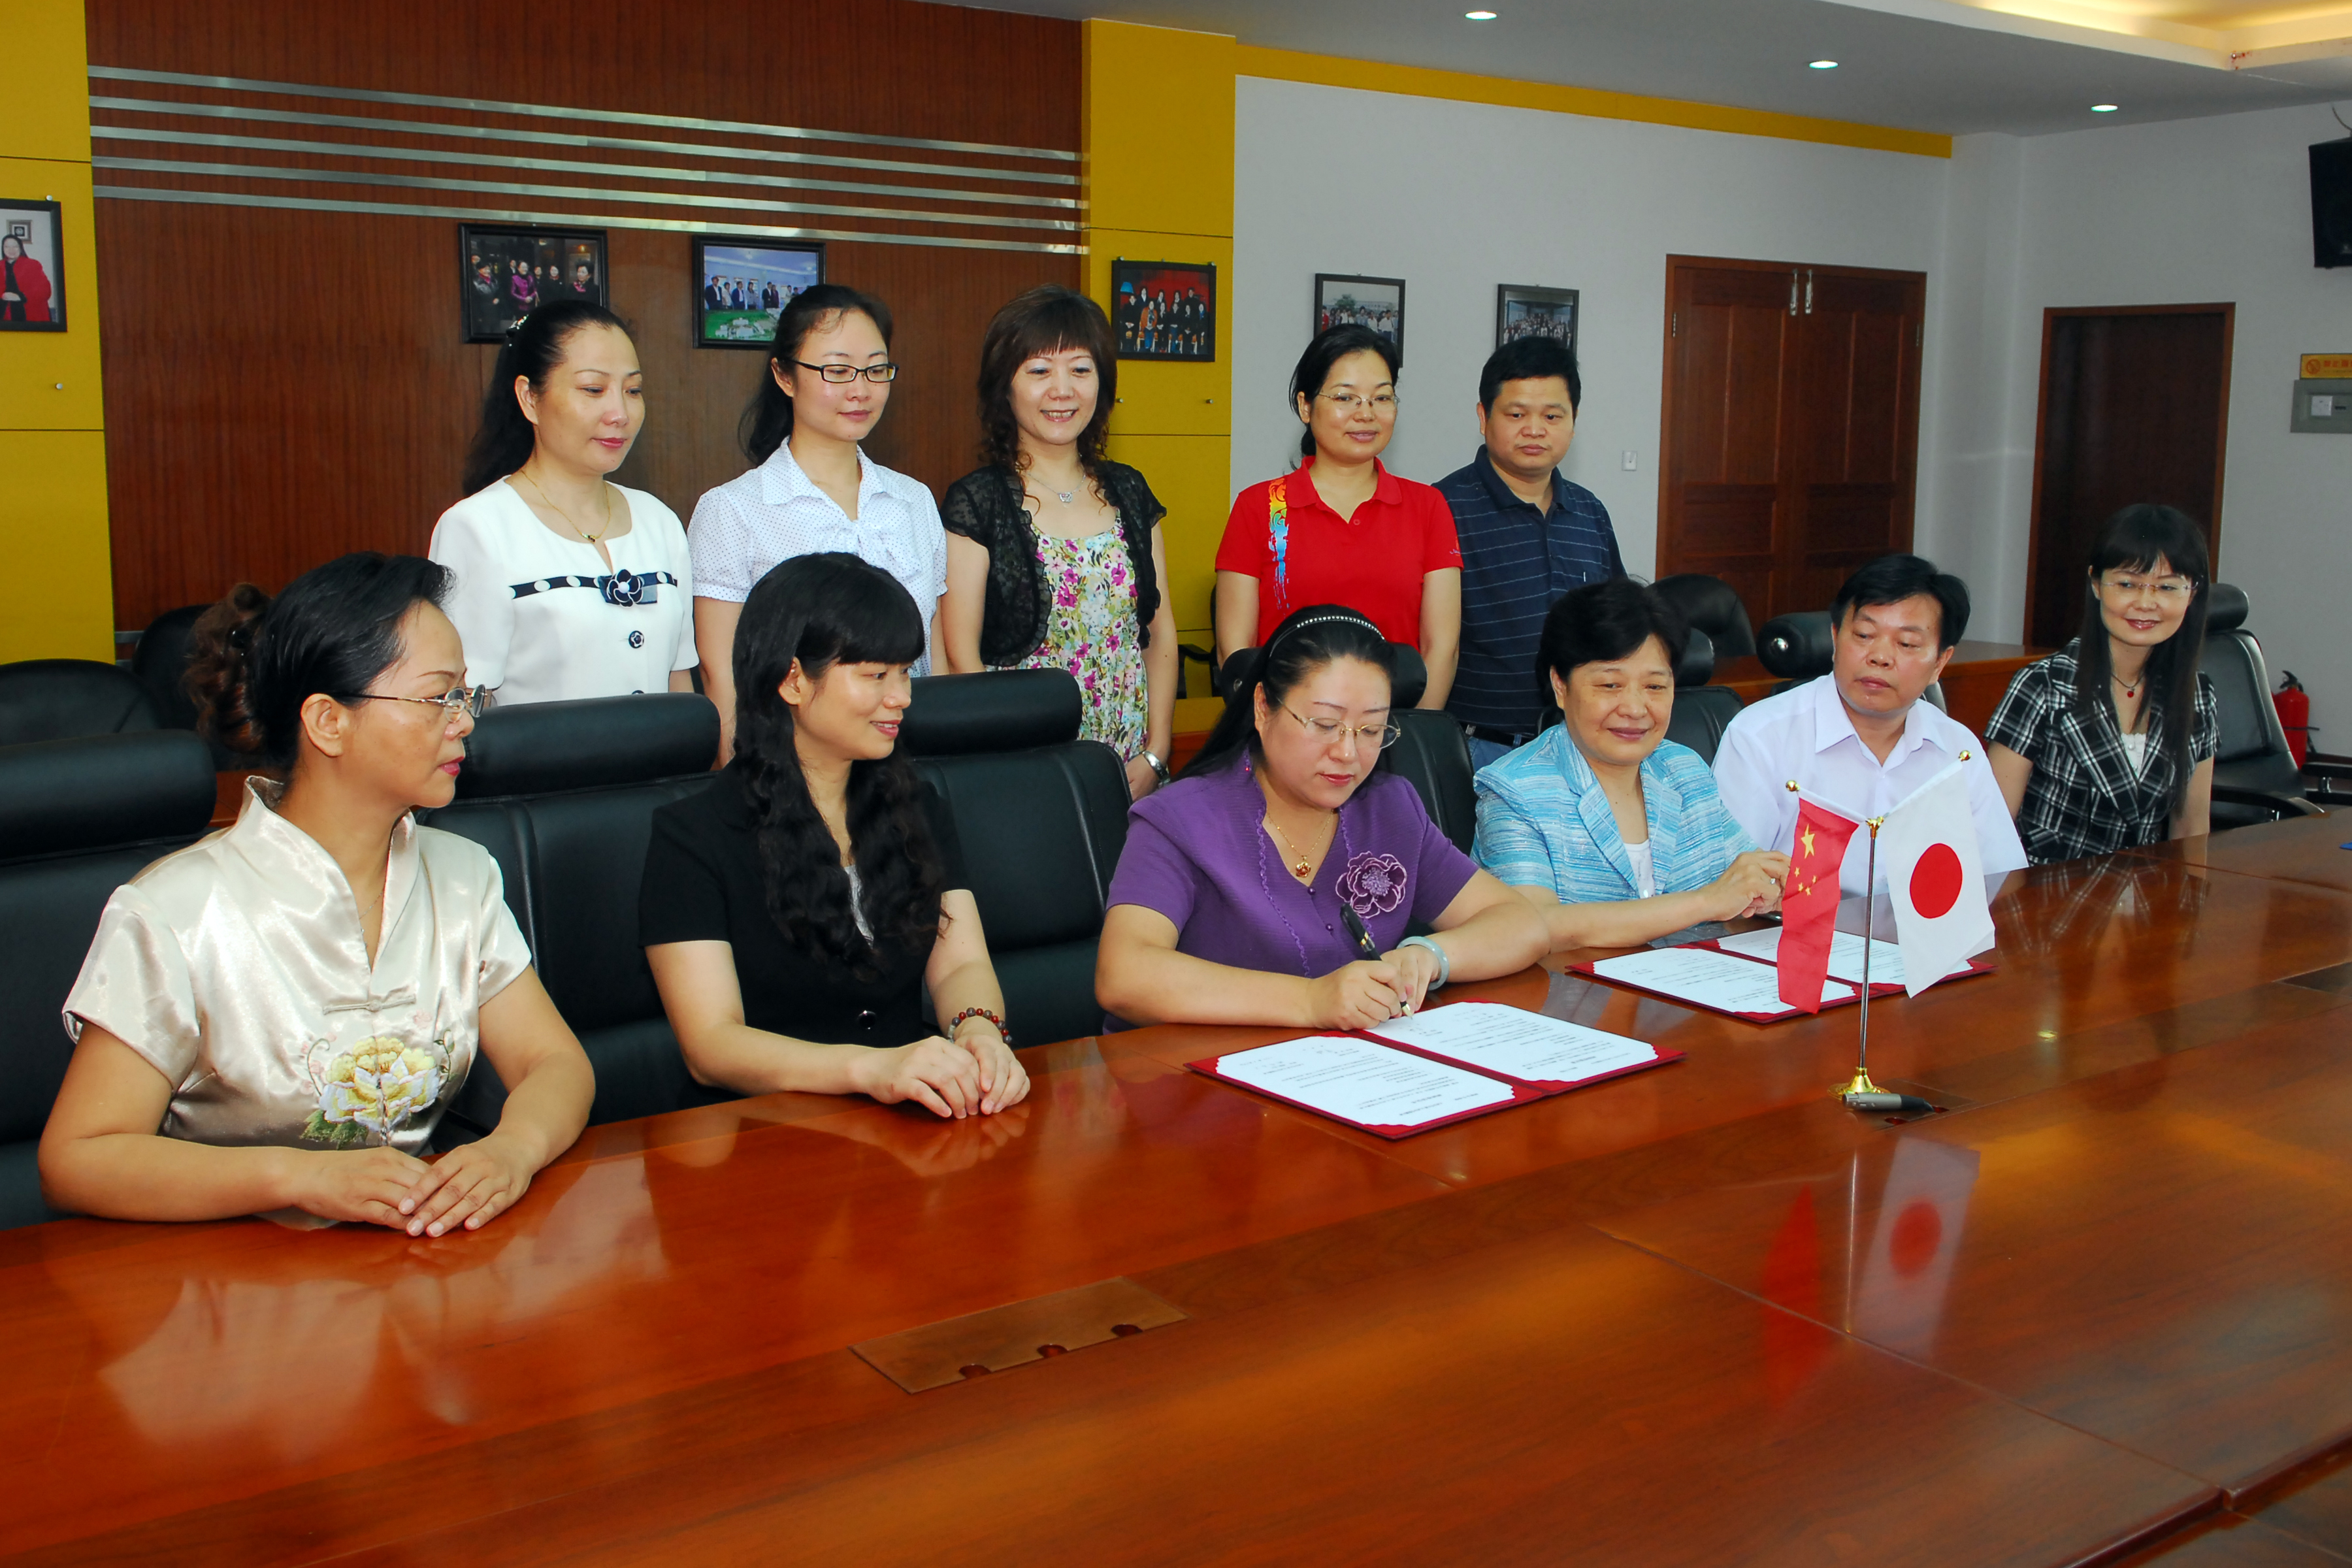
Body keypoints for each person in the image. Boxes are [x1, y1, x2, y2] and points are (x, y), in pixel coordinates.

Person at [38, 554, 595, 1232]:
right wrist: (300, 1178)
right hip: (232, 1267)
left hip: (418, 1255)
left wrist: (512, 1151)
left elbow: (554, 1063)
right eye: (436, 698)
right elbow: (77, 1158)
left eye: (465, 696)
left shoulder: (462, 875)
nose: (465, 722)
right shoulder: (178, 909)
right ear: (329, 722)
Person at [642, 553, 1026, 1119]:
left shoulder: (917, 806)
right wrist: (870, 1070)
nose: (902, 697)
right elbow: (712, 1047)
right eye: (876, 676)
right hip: (759, 1133)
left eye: (905, 672)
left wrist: (980, 1034)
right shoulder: (693, 836)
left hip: (908, 1119)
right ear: (793, 680)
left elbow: (960, 965)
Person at [1095, 605, 1548, 1030]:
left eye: (1371, 730)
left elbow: (1520, 922)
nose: (1348, 753)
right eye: (1325, 725)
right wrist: (1309, 1001)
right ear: (1263, 707)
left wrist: (1430, 955)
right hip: (1196, 1074)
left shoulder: (1389, 808)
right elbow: (1124, 973)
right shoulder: (1179, 819)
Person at [939, 286, 1177, 800]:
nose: (1062, 390)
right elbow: (962, 657)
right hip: (1023, 769)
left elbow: (1158, 634)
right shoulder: (979, 502)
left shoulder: (1130, 490)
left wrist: (1157, 753)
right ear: (1005, 387)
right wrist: (1015, 770)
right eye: (1040, 371)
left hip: (1131, 767)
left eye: (1080, 369)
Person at [690, 283, 943, 761]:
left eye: (876, 370)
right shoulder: (732, 509)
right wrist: (741, 787)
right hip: (790, 767)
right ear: (784, 376)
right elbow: (722, 677)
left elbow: (936, 657)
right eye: (838, 371)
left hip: (909, 761)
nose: (860, 390)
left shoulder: (914, 501)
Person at [1474, 580, 1788, 951]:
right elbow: (1534, 924)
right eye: (1610, 686)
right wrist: (1708, 902)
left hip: (1695, 982)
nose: (1636, 709)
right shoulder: (1514, 790)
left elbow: (1747, 876)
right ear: (1560, 685)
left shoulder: (1683, 769)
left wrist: (1773, 886)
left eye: (1655, 687)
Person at [431, 302, 697, 707]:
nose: (620, 414)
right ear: (529, 398)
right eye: (593, 390)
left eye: (633, 391)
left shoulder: (658, 520)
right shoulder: (477, 527)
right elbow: (465, 700)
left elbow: (678, 681)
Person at [1712, 554, 2029, 895]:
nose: (1880, 656)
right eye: (1864, 635)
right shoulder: (1759, 738)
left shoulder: (1957, 750)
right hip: (1789, 926)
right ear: (1836, 639)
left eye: (1907, 644)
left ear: (1940, 662)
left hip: (1920, 929)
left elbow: (1999, 877)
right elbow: (1727, 889)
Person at [1213, 326, 1462, 709]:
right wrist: (1272, 730)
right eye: (1345, 397)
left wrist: (1415, 732)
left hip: (1396, 726)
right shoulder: (1260, 507)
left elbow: (1441, 647)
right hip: (1287, 729)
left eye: (1382, 397)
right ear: (1305, 406)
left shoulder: (1428, 506)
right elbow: (1236, 651)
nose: (1366, 414)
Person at [1987, 504, 2219, 861]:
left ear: (2193, 593)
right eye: (2127, 584)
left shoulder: (2197, 693)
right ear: (2096, 584)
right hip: (2048, 890)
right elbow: (1991, 831)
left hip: (2148, 891)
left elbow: (2191, 830)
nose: (2146, 603)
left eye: (2167, 587)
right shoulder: (2042, 686)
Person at [1439, 335, 1624, 768]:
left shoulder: (1590, 512)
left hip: (1580, 745)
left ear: (1573, 421)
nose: (1535, 430)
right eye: (1517, 414)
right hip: (1479, 749)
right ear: (1484, 417)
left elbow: (1617, 625)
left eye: (1552, 416)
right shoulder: (1443, 508)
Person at [1, 233, 53, 323]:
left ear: (20, 248)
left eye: (15, 246)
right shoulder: (0, 266)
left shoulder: (33, 265)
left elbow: (45, 291)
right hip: (5, 316)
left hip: (30, 315)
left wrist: (20, 297)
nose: (11, 250)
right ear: (3, 249)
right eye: (7, 247)